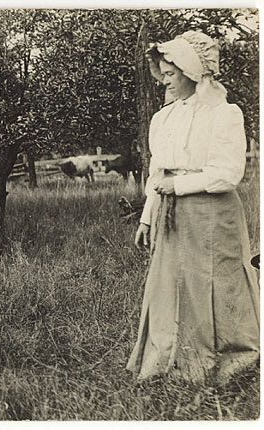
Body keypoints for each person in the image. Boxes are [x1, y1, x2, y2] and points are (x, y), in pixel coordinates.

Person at [127, 30, 259, 384]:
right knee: (170, 284)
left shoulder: (224, 114)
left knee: (213, 284)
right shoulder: (163, 118)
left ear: (191, 71)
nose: (165, 82)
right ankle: (171, 359)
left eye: (171, 75)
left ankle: (226, 360)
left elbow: (227, 174)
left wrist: (178, 185)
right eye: (163, 75)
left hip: (212, 214)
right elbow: (159, 172)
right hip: (171, 212)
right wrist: (146, 217)